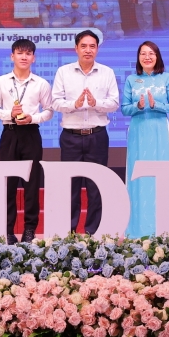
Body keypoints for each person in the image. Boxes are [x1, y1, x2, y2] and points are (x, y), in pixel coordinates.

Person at [52, 30, 119, 234]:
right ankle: (69, 232)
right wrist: (75, 104)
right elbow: (55, 102)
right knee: (70, 187)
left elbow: (114, 102)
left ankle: (93, 232)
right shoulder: (63, 72)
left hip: (97, 135)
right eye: (84, 46)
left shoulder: (107, 72)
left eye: (92, 46)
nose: (88, 50)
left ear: (97, 49)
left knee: (95, 187)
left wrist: (95, 103)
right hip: (71, 137)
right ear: (76, 48)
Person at [0, 39, 55, 244]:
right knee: (8, 184)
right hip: (9, 134)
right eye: (20, 53)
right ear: (12, 56)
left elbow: (50, 110)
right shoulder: (0, 82)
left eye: (28, 54)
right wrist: (9, 113)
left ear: (33, 58)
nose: (24, 57)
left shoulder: (41, 83)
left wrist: (32, 118)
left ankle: (29, 230)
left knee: (32, 184)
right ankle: (7, 230)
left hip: (31, 134)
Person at [120, 41, 169, 237]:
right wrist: (138, 105)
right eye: (143, 53)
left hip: (159, 130)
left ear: (157, 56)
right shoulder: (131, 79)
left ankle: (161, 230)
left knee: (161, 177)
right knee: (138, 178)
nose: (147, 57)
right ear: (138, 58)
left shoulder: (166, 78)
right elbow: (124, 109)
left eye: (151, 53)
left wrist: (156, 105)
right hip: (138, 131)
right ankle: (136, 230)